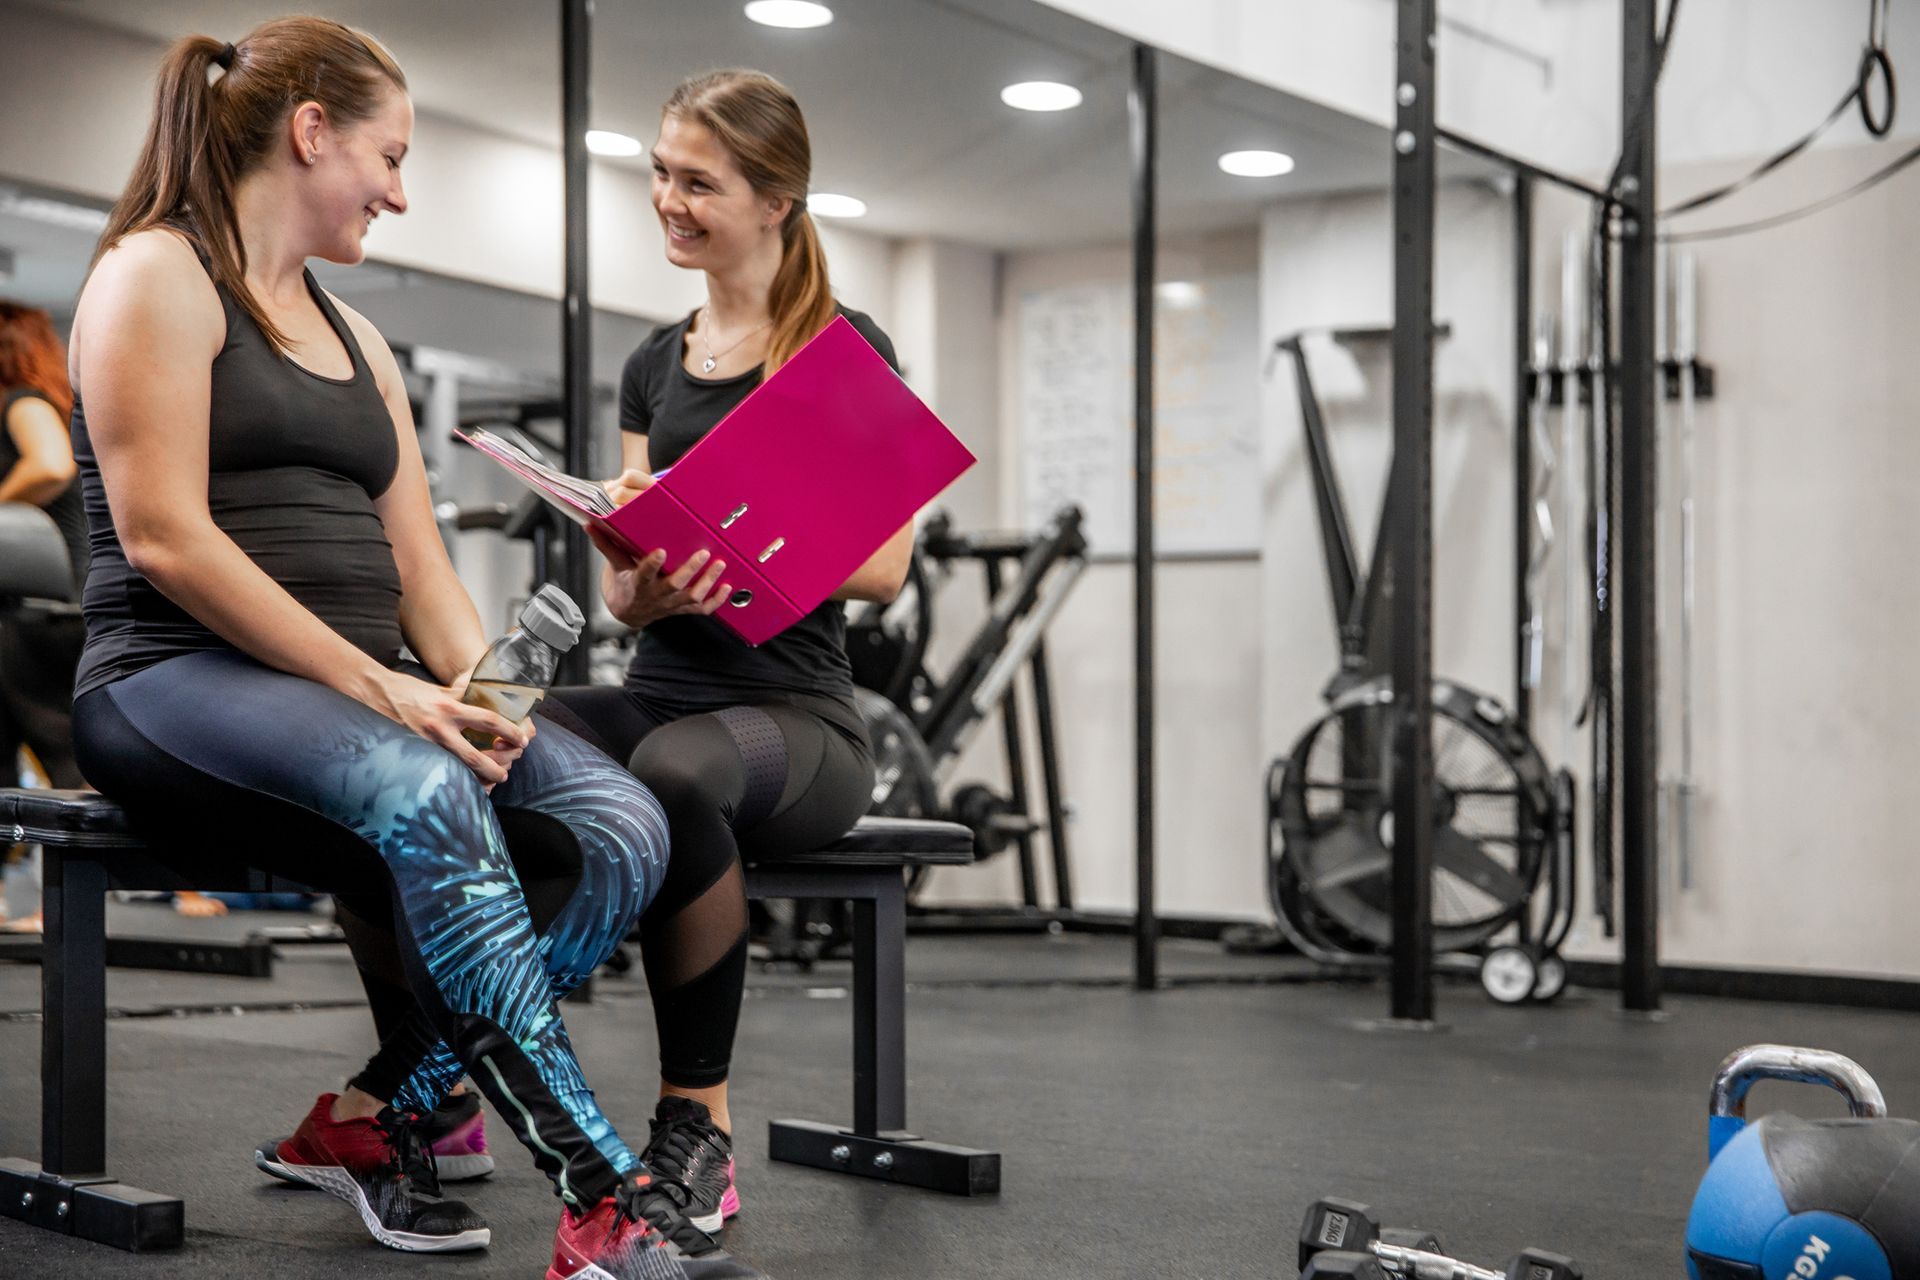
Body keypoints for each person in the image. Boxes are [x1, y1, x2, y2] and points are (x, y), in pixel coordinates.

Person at [64, 20, 757, 1278]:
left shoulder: (359, 337)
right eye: (388, 154)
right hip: (169, 680)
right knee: (425, 787)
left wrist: (489, 700)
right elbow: (166, 537)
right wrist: (387, 686)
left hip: (353, 694)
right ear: (310, 130)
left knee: (622, 824)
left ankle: (379, 1120)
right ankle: (603, 1203)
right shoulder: (154, 275)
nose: (398, 188)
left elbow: (424, 570)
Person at [537, 67, 913, 1234]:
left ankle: (698, 1124)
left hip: (794, 719)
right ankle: (452, 1069)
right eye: (660, 172)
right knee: (505, 737)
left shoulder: (844, 347)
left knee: (674, 774)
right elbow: (622, 591)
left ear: (777, 199)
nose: (668, 199)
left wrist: (748, 559)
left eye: (697, 181)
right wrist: (646, 586)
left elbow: (887, 567)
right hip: (667, 682)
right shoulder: (655, 359)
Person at [0, 300, 89, 933]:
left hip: (44, 612)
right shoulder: (55, 403)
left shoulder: (22, 401)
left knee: (61, 754)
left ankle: (76, 910)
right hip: (51, 608)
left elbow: (50, 465)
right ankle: (60, 908)